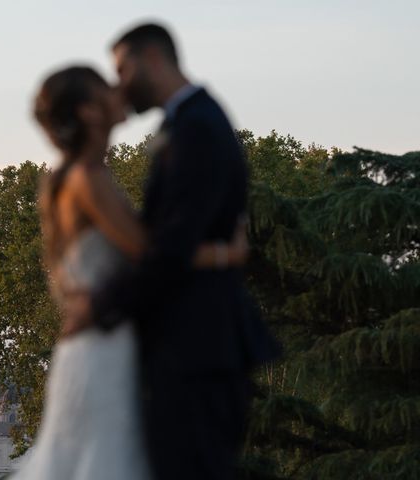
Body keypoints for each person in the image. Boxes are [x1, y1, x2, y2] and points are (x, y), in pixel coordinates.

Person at [9, 66, 251, 480]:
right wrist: (226, 253)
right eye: (108, 88)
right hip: (103, 347)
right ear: (88, 112)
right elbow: (152, 254)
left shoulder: (65, 178)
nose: (121, 91)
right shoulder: (90, 179)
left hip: (92, 344)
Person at [87, 23, 281, 479]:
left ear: (153, 59)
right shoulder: (193, 122)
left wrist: (98, 308)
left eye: (122, 68)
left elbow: (169, 250)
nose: (119, 84)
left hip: (196, 351)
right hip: (193, 350)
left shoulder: (195, 129)